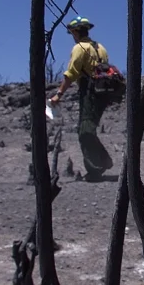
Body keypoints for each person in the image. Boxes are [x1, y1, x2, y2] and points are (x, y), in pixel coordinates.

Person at [49, 15, 115, 182]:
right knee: (87, 129)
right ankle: (102, 162)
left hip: (90, 92)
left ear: (76, 32)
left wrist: (59, 94)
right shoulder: (101, 47)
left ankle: (97, 168)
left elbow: (71, 74)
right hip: (103, 93)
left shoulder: (80, 48)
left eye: (72, 33)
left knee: (85, 131)